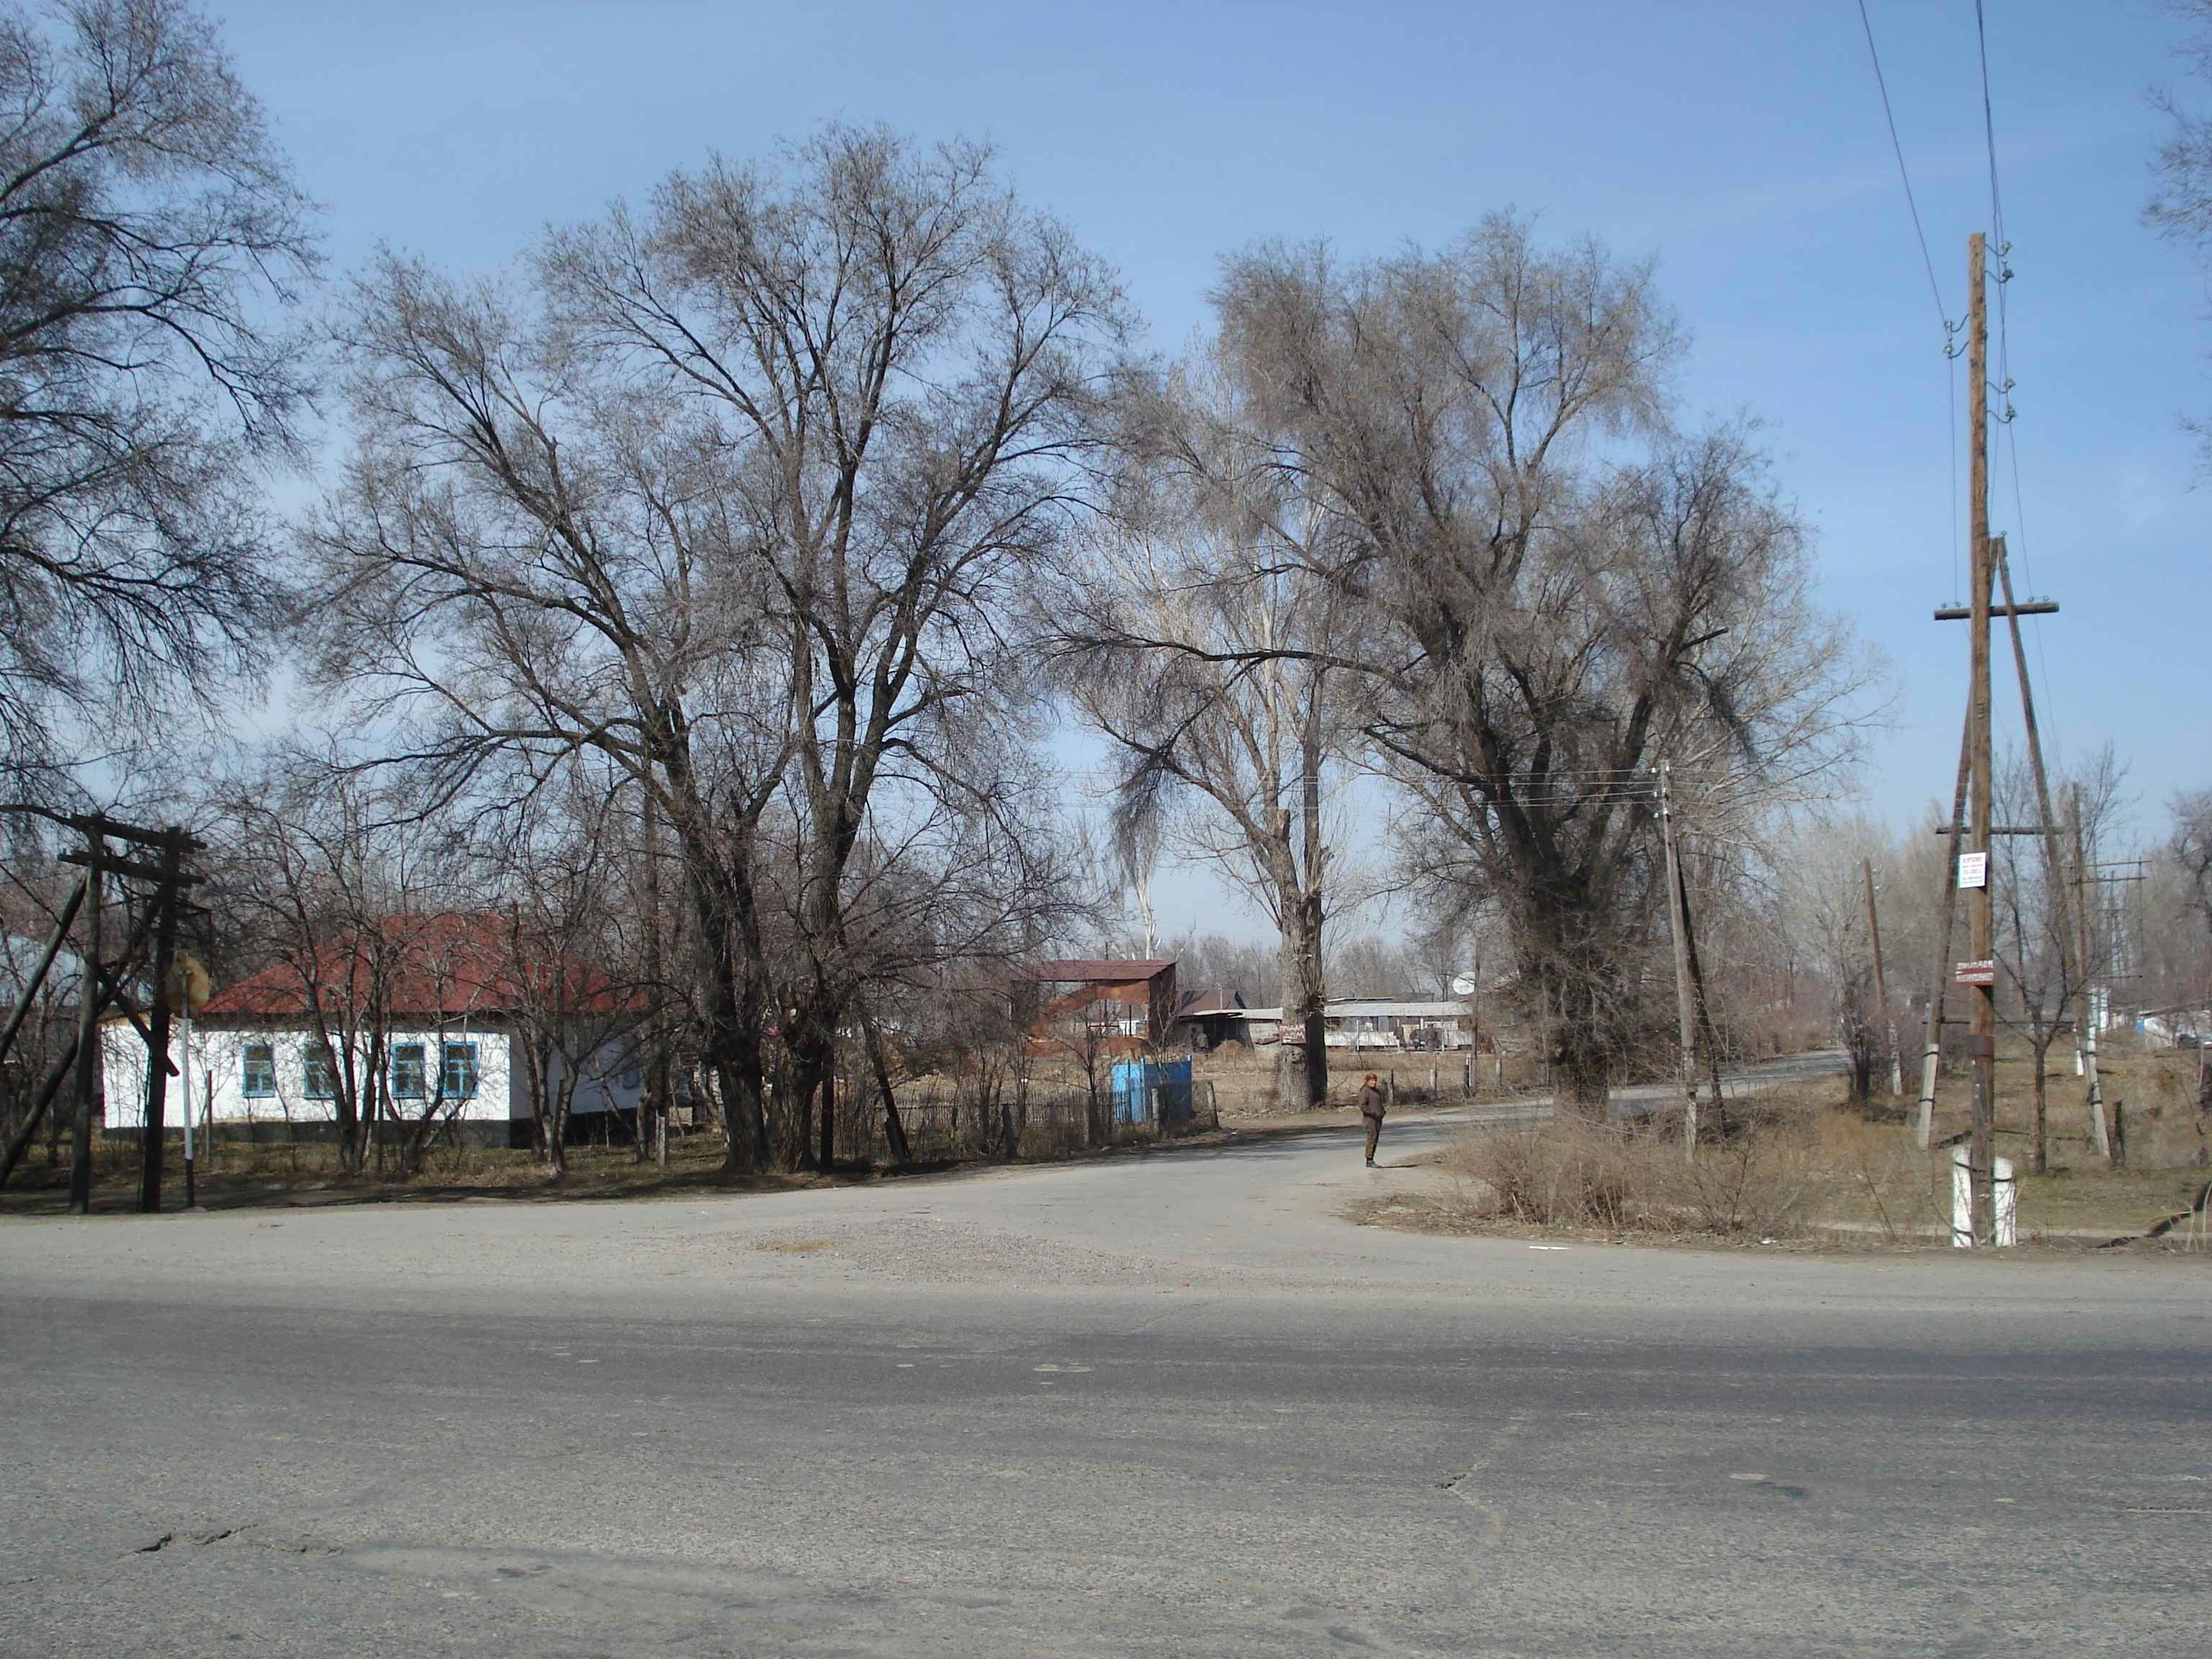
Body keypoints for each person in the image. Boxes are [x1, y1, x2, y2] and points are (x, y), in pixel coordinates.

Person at [1356, 1072, 1386, 1166]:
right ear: (1367, 1081)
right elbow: (1362, 1106)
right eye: (1372, 1080)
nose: (1374, 1082)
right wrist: (1372, 1113)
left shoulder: (1376, 1091)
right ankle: (1369, 1160)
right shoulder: (1365, 1091)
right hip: (1370, 1119)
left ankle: (1372, 1158)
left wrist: (1382, 1112)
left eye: (1375, 1080)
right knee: (1371, 1139)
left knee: (1375, 1139)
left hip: (1378, 1118)